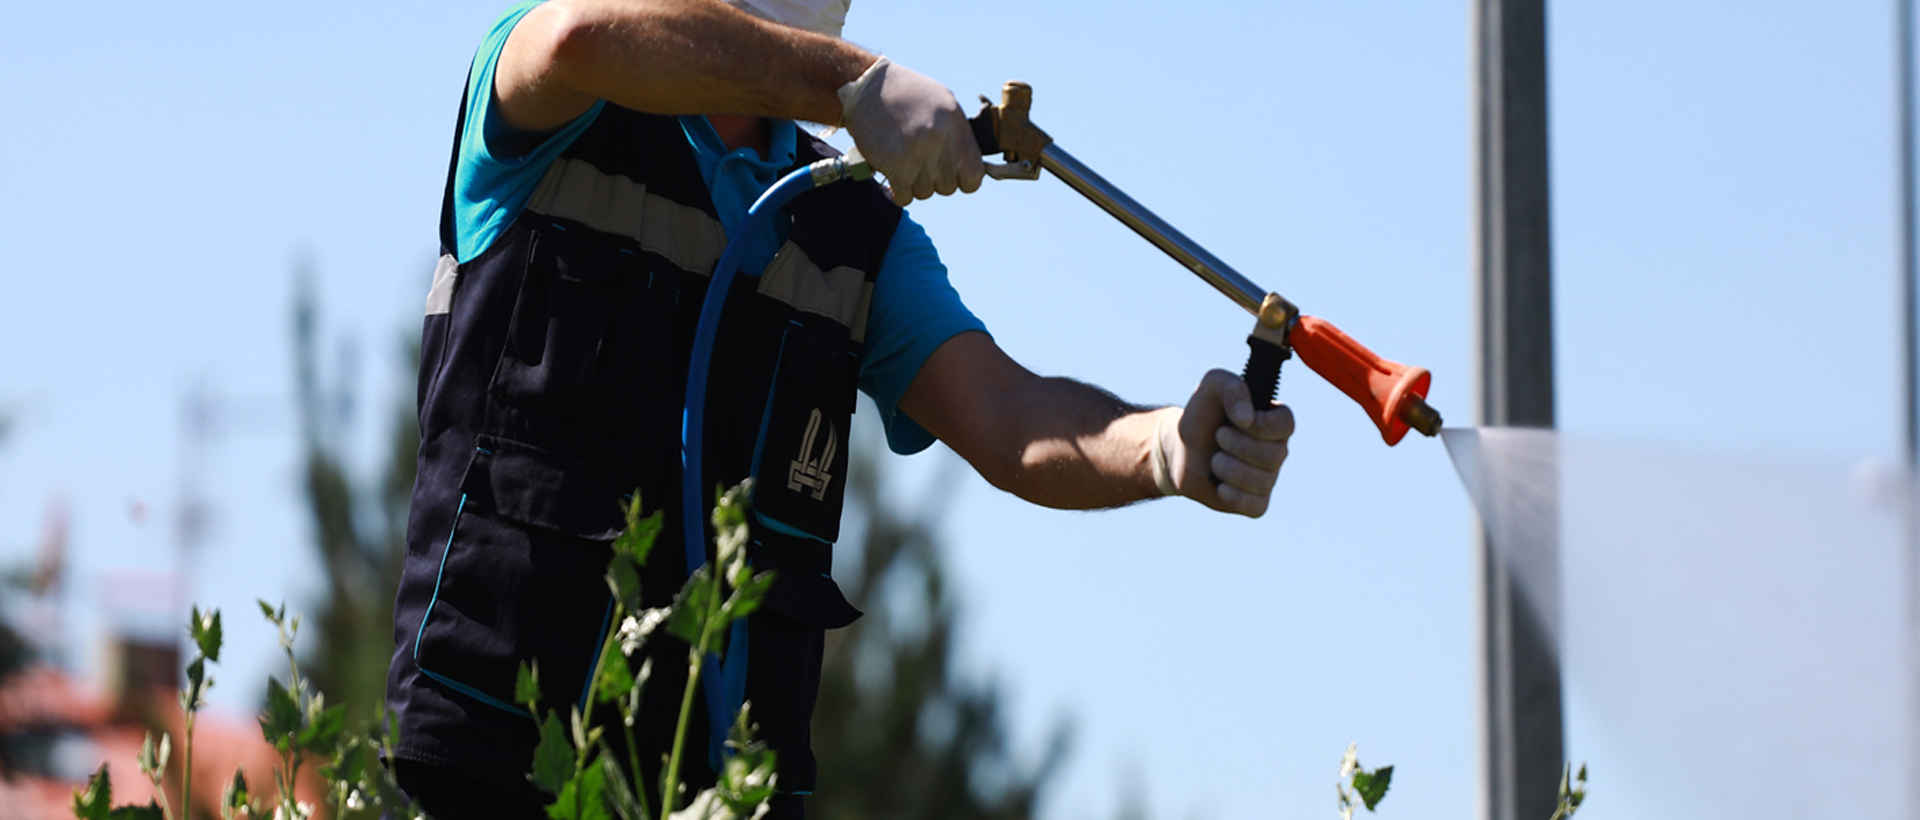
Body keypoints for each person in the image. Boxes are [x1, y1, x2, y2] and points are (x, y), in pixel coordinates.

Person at [385, 0, 1295, 817]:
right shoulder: (552, 103)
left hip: (718, 798)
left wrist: (1162, 446)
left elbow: (1009, 415)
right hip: (486, 766)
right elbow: (577, 37)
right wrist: (853, 83)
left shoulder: (856, 227)